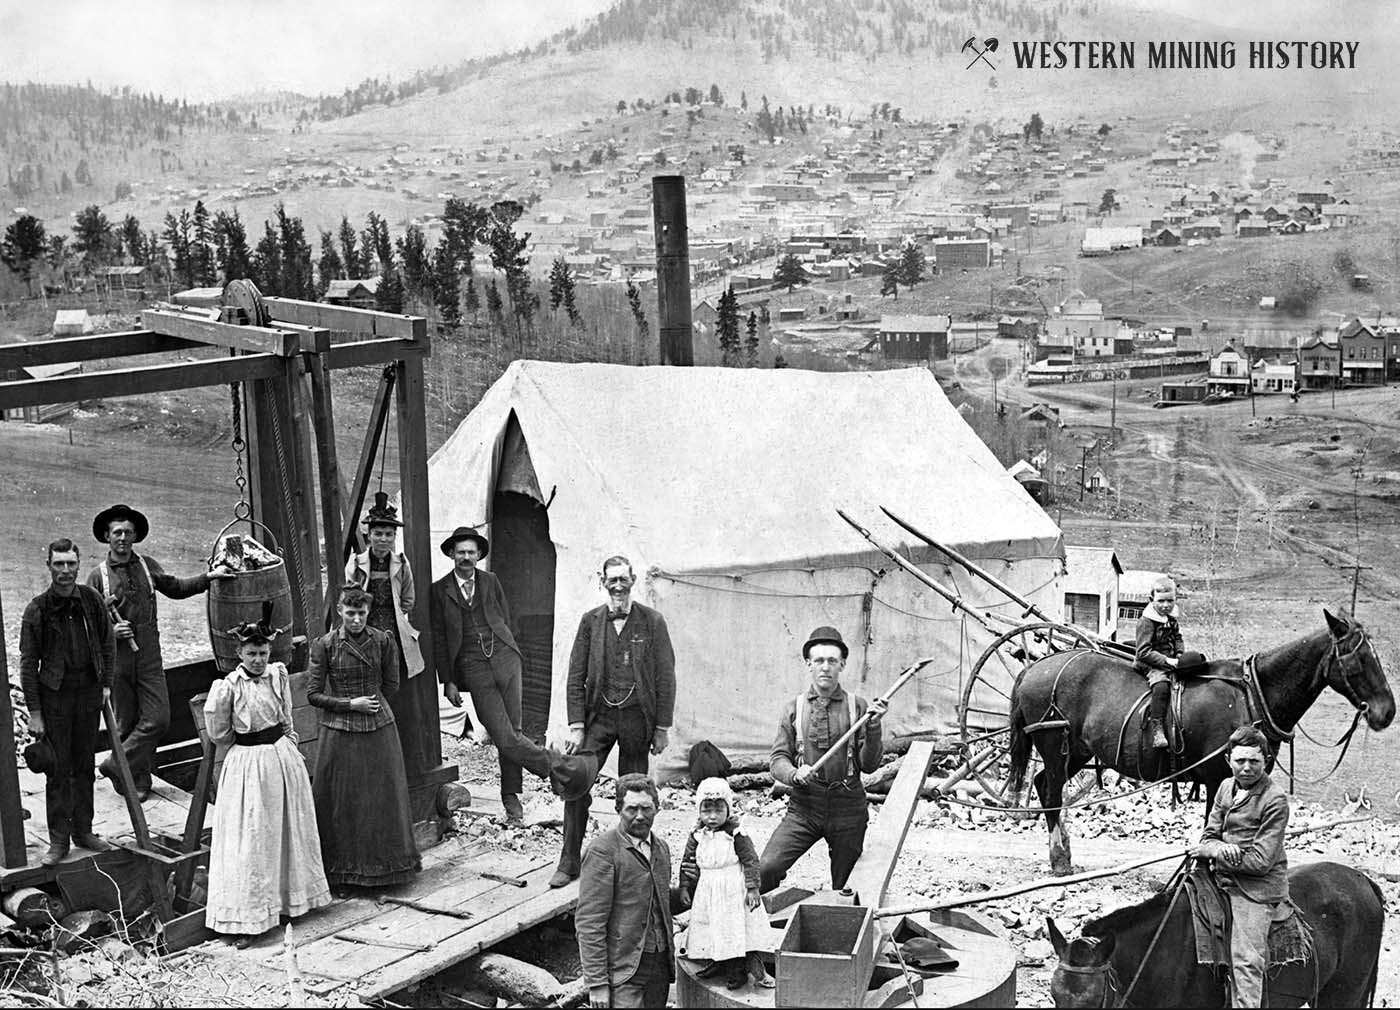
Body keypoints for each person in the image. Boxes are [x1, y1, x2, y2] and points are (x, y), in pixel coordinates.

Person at [430, 525, 596, 821]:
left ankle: (511, 797)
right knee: (504, 736)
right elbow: (440, 640)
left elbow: (505, 617)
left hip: (506, 660)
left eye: (471, 552)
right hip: (473, 667)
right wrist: (449, 681)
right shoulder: (439, 590)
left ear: (479, 554)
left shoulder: (490, 581)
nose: (466, 557)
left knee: (514, 733)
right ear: (451, 554)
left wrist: (511, 650)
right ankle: (560, 768)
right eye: (461, 552)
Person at [87, 503, 232, 801]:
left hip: (149, 655)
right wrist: (111, 633)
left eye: (128, 532)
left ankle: (115, 764)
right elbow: (88, 626)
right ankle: (135, 782)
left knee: (158, 718)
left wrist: (209, 578)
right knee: (127, 722)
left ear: (136, 535)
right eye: (117, 532)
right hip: (117, 659)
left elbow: (176, 587)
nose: (123, 538)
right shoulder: (96, 577)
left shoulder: (147, 566)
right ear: (107, 536)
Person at [204, 604, 330, 947]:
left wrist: (287, 747)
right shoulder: (228, 687)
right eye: (251, 653)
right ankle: (251, 917)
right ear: (239, 653)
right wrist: (250, 751)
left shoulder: (277, 675)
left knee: (288, 828)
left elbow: (287, 720)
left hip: (281, 758)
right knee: (253, 837)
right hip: (248, 763)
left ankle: (291, 902)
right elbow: (219, 733)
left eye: (262, 652)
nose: (258, 660)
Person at [551, 555, 676, 889]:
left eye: (624, 579)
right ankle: (569, 861)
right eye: (612, 580)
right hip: (599, 718)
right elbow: (575, 675)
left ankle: (632, 863)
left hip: (637, 718)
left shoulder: (652, 621)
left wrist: (662, 728)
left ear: (633, 580)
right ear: (602, 581)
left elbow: (666, 677)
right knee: (577, 781)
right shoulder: (590, 621)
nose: (618, 586)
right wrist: (577, 726)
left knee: (634, 791)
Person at [307, 586, 420, 892]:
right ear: (340, 611)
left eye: (361, 613)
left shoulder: (383, 641)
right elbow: (313, 694)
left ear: (368, 613)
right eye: (350, 613)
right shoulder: (325, 645)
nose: (355, 619)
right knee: (341, 800)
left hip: (378, 723)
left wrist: (371, 702)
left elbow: (392, 683)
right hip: (340, 727)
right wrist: (349, 704)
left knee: (381, 798)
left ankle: (386, 872)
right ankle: (342, 874)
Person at [759, 626, 887, 894]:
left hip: (848, 807)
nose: (825, 667)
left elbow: (869, 765)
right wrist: (794, 774)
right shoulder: (794, 708)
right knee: (766, 869)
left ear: (842, 664)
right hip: (805, 807)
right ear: (808, 664)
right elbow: (778, 759)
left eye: (832, 660)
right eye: (818, 660)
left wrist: (874, 728)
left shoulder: (859, 706)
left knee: (847, 890)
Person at [19, 538, 117, 866]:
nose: (65, 571)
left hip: (88, 694)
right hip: (55, 699)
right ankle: (59, 841)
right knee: (58, 772)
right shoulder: (37, 609)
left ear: (78, 564)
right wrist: (35, 712)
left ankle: (85, 831)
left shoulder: (91, 601)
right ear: (48, 566)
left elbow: (108, 643)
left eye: (70, 564)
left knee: (84, 765)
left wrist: (106, 685)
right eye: (58, 564)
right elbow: (27, 663)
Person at [1189, 725, 1290, 1008]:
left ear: (1266, 762)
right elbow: (1208, 836)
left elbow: (1260, 861)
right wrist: (1219, 847)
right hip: (1218, 874)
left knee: (1246, 961)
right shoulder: (1224, 787)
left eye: (1254, 762)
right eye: (1240, 761)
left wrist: (1216, 853)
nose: (1246, 768)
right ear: (1228, 760)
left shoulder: (1275, 799)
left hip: (1255, 888)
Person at [576, 773, 674, 1009]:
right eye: (631, 809)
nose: (640, 816)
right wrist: (597, 982)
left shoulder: (661, 848)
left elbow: (657, 902)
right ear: (618, 809)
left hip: (659, 965)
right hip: (624, 970)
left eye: (646, 809)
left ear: (657, 809)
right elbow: (589, 922)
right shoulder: (603, 851)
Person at [678, 778, 774, 990]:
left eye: (718, 810)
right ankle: (717, 962)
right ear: (699, 810)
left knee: (732, 929)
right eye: (706, 810)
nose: (712, 816)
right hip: (708, 889)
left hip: (732, 889)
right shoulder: (696, 834)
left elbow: (750, 860)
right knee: (711, 927)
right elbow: (688, 861)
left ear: (728, 809)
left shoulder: (735, 834)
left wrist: (752, 888)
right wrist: (684, 886)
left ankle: (738, 970)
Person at [1135, 575, 1183, 750]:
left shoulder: (1171, 619)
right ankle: (1157, 728)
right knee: (1161, 686)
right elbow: (1143, 652)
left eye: (1170, 601)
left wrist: (1179, 654)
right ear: (1151, 599)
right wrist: (1167, 661)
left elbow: (1177, 638)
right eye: (1161, 601)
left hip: (1170, 660)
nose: (1166, 605)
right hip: (1150, 663)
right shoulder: (1147, 622)